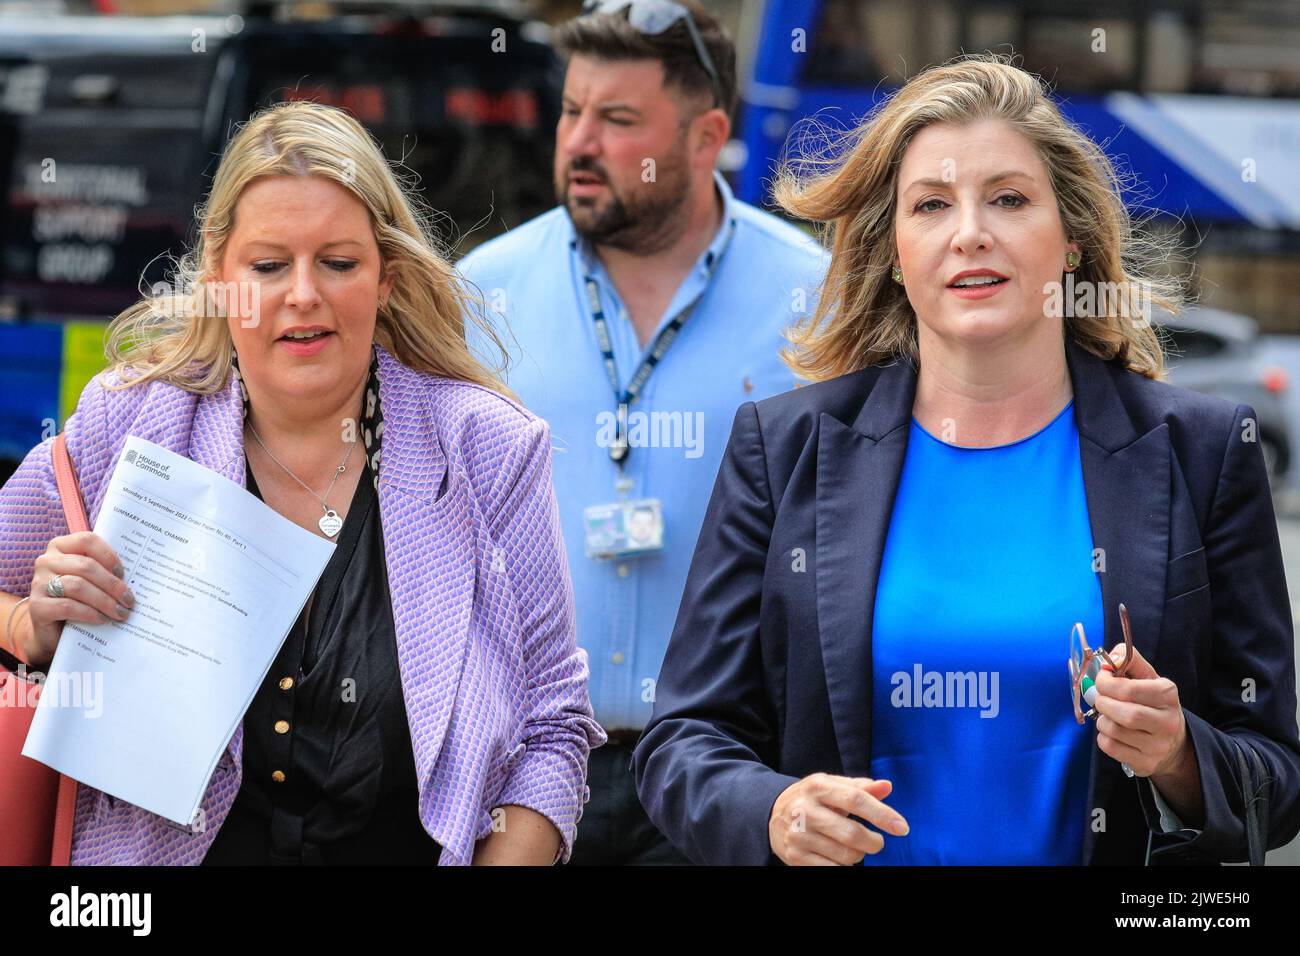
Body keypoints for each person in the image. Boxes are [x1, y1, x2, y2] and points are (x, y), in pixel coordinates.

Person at [632, 54, 1300, 865]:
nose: (970, 231)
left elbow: (1277, 774)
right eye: (932, 205)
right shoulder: (783, 451)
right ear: (894, 251)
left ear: (1071, 245)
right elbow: (682, 742)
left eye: (1010, 199)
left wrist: (1180, 756)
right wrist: (774, 812)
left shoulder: (1200, 452)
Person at [0, 100, 604, 866]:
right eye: (269, 265)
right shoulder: (131, 424)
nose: (304, 295)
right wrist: (33, 630)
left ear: (385, 277)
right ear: (220, 277)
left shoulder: (488, 449)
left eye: (339, 262)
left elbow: (552, 727)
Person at [457, 0, 827, 865]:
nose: (580, 142)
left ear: (705, 137)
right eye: (572, 111)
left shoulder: (817, 302)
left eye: (618, 120)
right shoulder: (480, 296)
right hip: (522, 777)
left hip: (728, 776)